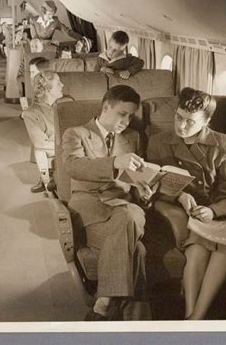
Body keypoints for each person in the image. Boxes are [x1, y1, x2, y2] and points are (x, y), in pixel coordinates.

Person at [146, 87, 226, 320]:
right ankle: (191, 314)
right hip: (190, 211)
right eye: (178, 117)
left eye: (190, 122)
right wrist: (179, 195)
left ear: (207, 121)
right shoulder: (157, 142)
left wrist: (213, 211)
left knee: (224, 251)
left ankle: (196, 317)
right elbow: (154, 181)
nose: (181, 126)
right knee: (197, 249)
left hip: (225, 210)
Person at [62, 85, 153, 321]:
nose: (127, 120)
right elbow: (74, 166)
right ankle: (136, 314)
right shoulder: (76, 133)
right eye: (122, 113)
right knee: (138, 251)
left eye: (131, 115)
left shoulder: (133, 138)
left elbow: (136, 178)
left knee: (129, 214)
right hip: (90, 207)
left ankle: (103, 305)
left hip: (125, 204)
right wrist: (115, 163)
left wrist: (143, 190)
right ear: (106, 107)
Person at [22, 71, 64, 193]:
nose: (63, 85)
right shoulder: (31, 114)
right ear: (47, 90)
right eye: (58, 83)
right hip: (63, 152)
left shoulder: (66, 105)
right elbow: (41, 145)